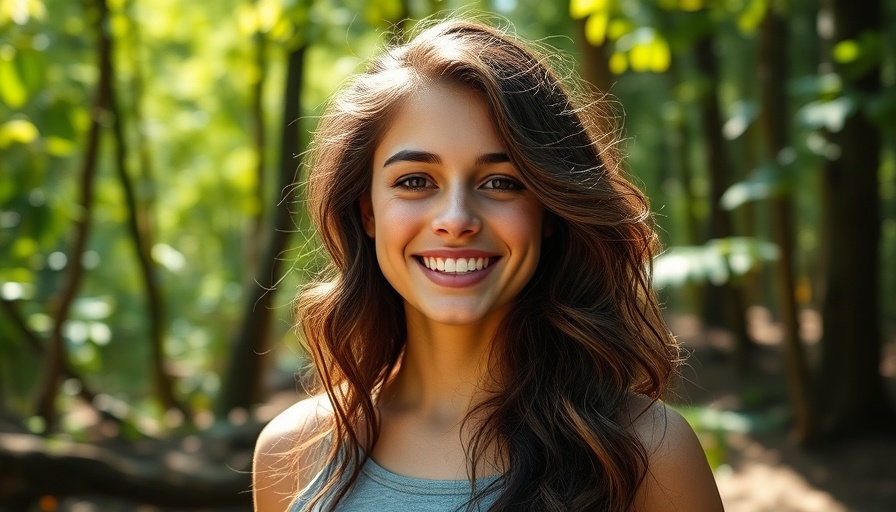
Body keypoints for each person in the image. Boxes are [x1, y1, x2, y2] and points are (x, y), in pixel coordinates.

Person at [253, 16, 724, 512]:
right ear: (368, 211)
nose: (456, 220)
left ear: (548, 210)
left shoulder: (649, 454)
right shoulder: (293, 453)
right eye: (415, 180)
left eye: (501, 182)